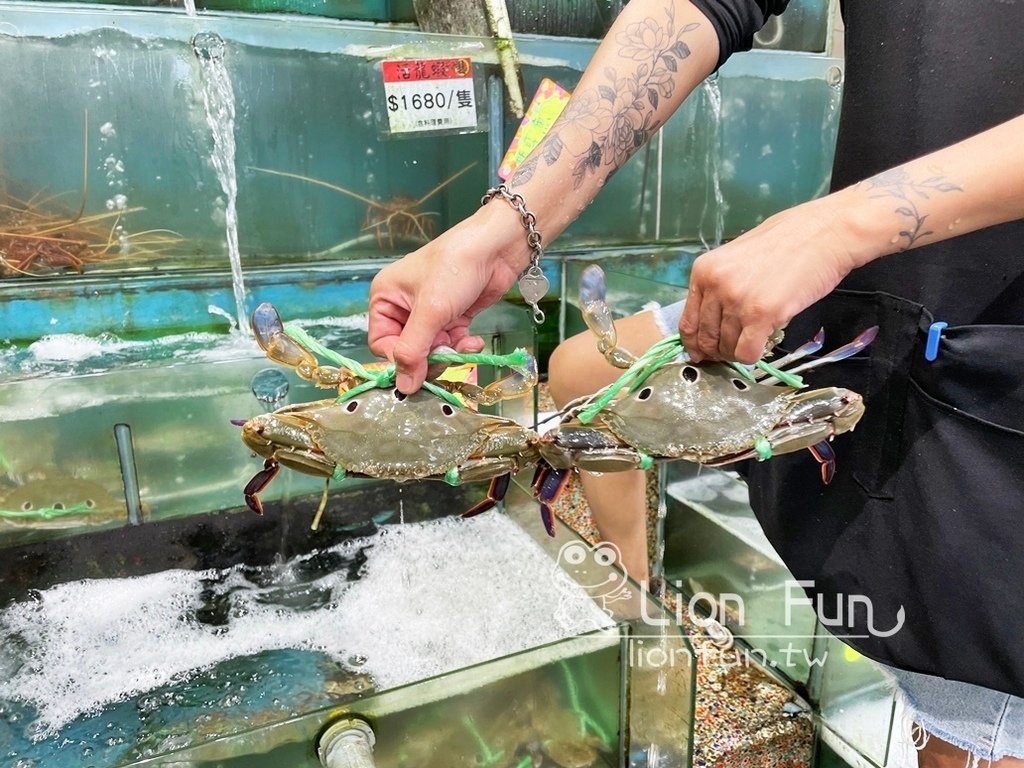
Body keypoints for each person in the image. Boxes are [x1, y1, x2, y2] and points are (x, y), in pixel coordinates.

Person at [368, 1, 1024, 765]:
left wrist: (845, 224)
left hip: (981, 408)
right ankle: (634, 585)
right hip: (866, 326)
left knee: (971, 742)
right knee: (579, 369)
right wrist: (502, 230)